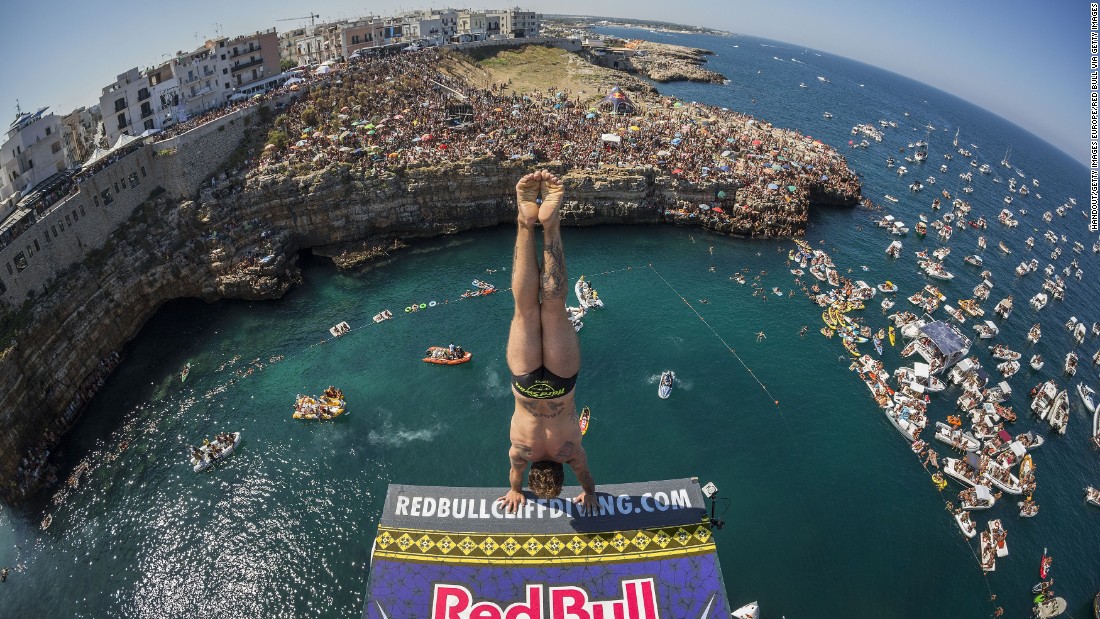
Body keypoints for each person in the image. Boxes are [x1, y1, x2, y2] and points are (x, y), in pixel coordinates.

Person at [498, 171, 597, 516]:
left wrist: (590, 494)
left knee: (553, 307)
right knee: (525, 310)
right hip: (525, 386)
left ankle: (550, 225)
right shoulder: (519, 453)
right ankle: (526, 223)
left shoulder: (570, 451)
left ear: (559, 470)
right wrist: (515, 491)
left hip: (561, 386)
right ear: (534, 473)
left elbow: (585, 475)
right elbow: (515, 475)